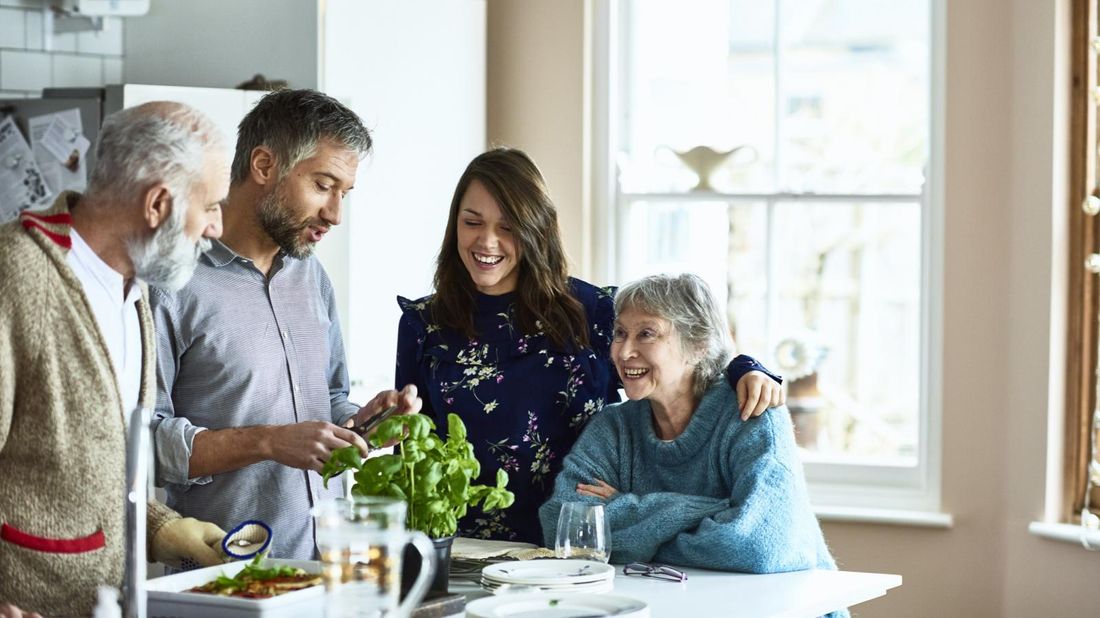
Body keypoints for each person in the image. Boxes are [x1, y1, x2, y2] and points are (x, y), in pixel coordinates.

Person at [395, 148, 784, 544]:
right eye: (471, 222)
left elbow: (681, 352)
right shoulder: (424, 324)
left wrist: (748, 368)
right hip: (456, 546)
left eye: (508, 227)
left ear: (536, 229)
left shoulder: (592, 312)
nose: (487, 241)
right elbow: (409, 451)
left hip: (575, 544)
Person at [150, 89, 421, 561]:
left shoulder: (311, 275)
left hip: (327, 573)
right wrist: (269, 441)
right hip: (224, 583)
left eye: (344, 194)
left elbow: (330, 400)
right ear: (263, 166)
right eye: (322, 185)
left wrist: (365, 424)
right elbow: (144, 442)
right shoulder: (169, 281)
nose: (335, 214)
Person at [0, 102, 231, 617]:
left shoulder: (134, 290)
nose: (216, 227)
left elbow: (81, 471)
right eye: (210, 205)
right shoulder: (17, 277)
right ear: (157, 205)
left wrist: (160, 526)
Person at [538, 274, 842, 602]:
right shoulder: (614, 427)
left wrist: (624, 515)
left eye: (646, 334)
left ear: (697, 345)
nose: (625, 351)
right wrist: (714, 511)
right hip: (677, 604)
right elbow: (564, 527)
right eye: (620, 333)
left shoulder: (752, 413)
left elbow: (758, 544)